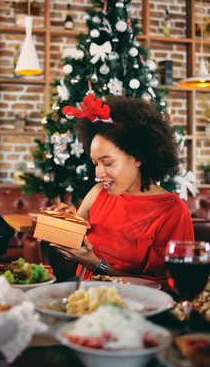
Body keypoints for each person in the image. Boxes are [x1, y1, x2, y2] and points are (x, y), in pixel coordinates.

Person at [45, 94, 194, 281]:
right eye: (95, 163)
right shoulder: (98, 193)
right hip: (81, 293)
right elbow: (68, 240)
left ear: (138, 157)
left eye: (107, 163)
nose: (98, 174)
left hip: (134, 303)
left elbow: (172, 283)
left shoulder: (172, 211)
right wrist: (63, 220)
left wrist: (97, 265)